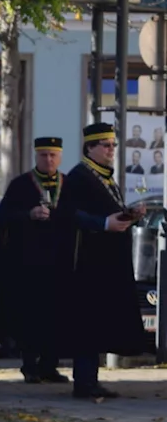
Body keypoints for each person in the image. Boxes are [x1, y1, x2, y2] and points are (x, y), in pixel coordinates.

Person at [54, 122, 146, 399]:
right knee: (87, 323)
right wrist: (103, 223)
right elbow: (69, 214)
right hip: (87, 264)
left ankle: (90, 379)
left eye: (113, 145)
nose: (110, 150)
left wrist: (129, 215)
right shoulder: (80, 176)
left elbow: (108, 211)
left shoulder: (104, 176)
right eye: (105, 146)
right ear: (90, 148)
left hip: (105, 262)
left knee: (97, 323)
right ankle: (83, 382)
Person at [0, 137, 71, 384]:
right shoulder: (21, 185)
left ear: (60, 157)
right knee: (30, 315)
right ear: (36, 156)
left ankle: (50, 365)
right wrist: (29, 214)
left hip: (59, 260)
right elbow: (4, 218)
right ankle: (29, 365)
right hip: (28, 262)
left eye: (53, 155)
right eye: (44, 155)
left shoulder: (68, 184)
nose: (48, 160)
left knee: (57, 314)